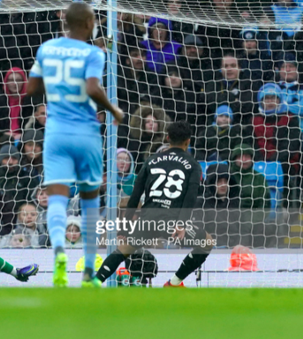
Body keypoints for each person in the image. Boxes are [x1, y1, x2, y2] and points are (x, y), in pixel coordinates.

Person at [26, 2, 124, 287]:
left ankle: (58, 252)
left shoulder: (47, 49)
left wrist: (56, 84)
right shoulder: (94, 53)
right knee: (90, 201)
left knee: (57, 197)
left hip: (56, 133)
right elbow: (93, 88)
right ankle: (89, 273)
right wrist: (114, 111)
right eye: (94, 20)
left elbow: (31, 89)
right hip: (86, 133)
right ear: (86, 23)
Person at [95, 121, 214, 287]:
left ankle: (94, 283)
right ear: (188, 141)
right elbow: (190, 197)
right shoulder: (193, 165)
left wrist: (126, 223)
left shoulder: (151, 160)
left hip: (148, 218)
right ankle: (174, 283)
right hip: (171, 222)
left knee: (123, 250)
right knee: (207, 242)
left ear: (167, 138)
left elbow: (135, 194)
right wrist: (181, 224)